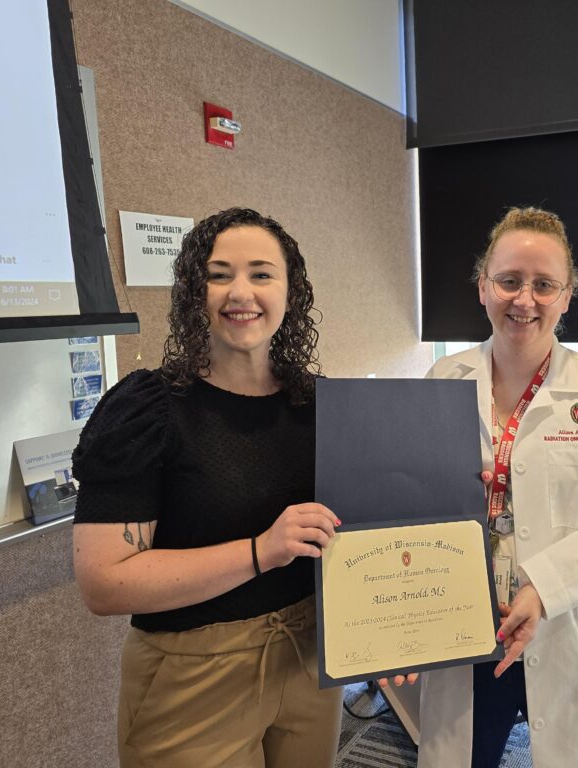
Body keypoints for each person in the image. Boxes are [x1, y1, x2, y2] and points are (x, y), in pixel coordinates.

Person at [71, 207, 343, 768]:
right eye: (218, 274)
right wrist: (259, 551)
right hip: (192, 676)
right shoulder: (148, 410)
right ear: (195, 291)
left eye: (262, 274)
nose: (239, 292)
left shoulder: (322, 405)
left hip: (311, 657)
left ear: (291, 292)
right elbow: (104, 585)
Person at [417, 206, 578, 768]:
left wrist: (545, 589)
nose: (523, 300)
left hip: (565, 625)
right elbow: (412, 510)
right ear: (483, 288)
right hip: (466, 628)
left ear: (567, 295)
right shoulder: (440, 382)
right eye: (508, 281)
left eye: (543, 285)